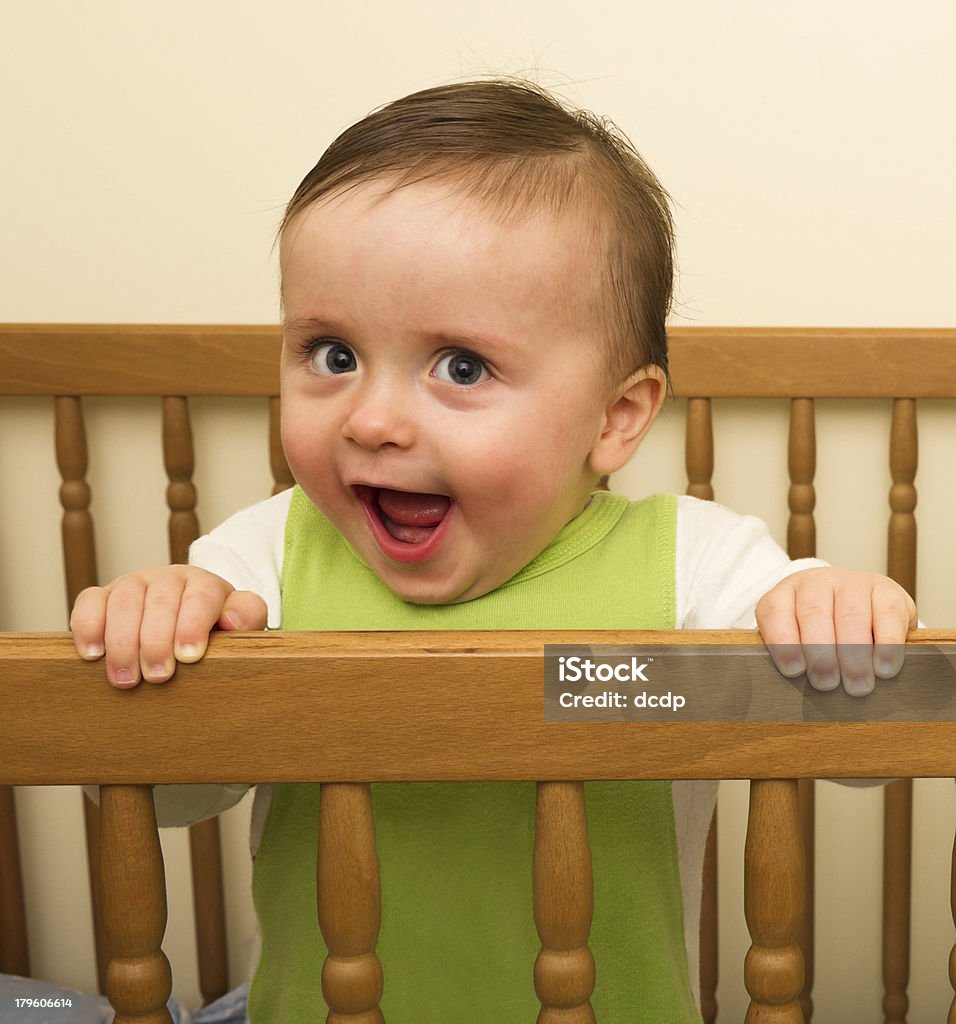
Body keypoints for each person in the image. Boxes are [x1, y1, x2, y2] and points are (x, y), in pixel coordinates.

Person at [71, 80, 917, 1023]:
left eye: (462, 367)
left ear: (615, 417)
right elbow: (171, 799)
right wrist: (154, 637)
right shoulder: (262, 560)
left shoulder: (694, 565)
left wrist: (833, 613)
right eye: (331, 354)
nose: (374, 419)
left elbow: (867, 750)